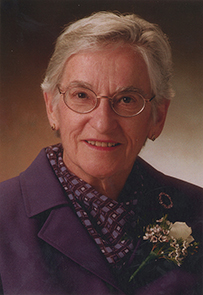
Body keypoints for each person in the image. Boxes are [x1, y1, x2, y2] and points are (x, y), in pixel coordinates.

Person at [0, 11, 202, 295]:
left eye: (127, 99)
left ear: (158, 117)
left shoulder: (198, 211)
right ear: (51, 107)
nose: (103, 123)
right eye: (82, 95)